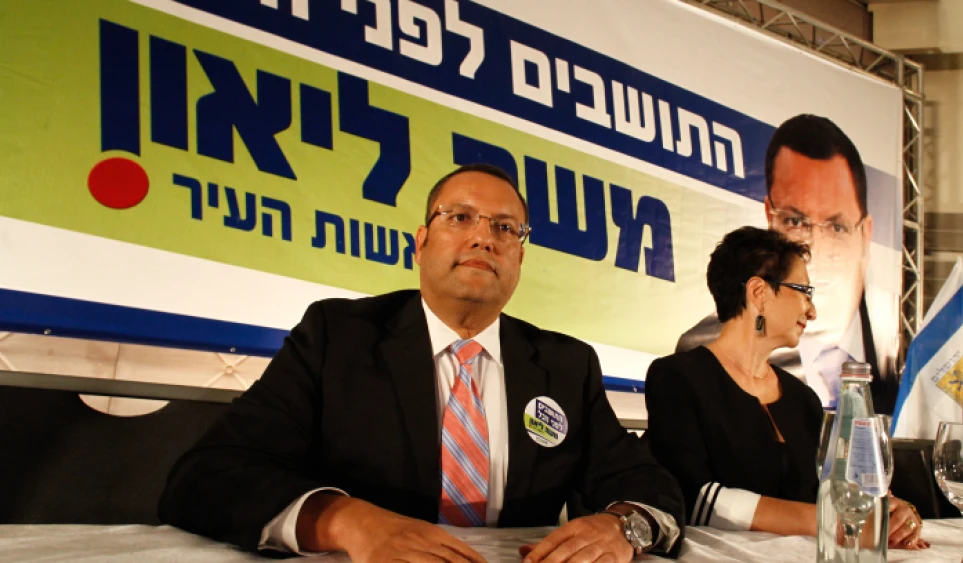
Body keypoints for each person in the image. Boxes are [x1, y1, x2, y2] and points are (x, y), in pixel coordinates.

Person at [159, 163, 685, 561]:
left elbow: (644, 481)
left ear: (520, 256)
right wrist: (347, 521)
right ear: (421, 242)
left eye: (506, 229)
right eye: (460, 218)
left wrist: (622, 527)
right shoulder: (336, 337)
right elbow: (205, 475)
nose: (484, 237)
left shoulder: (566, 364)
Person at [645, 226, 927, 549]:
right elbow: (690, 496)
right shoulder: (676, 377)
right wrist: (832, 522)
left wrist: (894, 512)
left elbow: (838, 488)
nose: (812, 310)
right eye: (804, 291)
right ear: (758, 293)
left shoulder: (801, 397)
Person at [676, 114, 899, 414]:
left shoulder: (902, 357)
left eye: (836, 227)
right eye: (795, 221)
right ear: (770, 218)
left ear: (866, 234)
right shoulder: (696, 354)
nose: (815, 248)